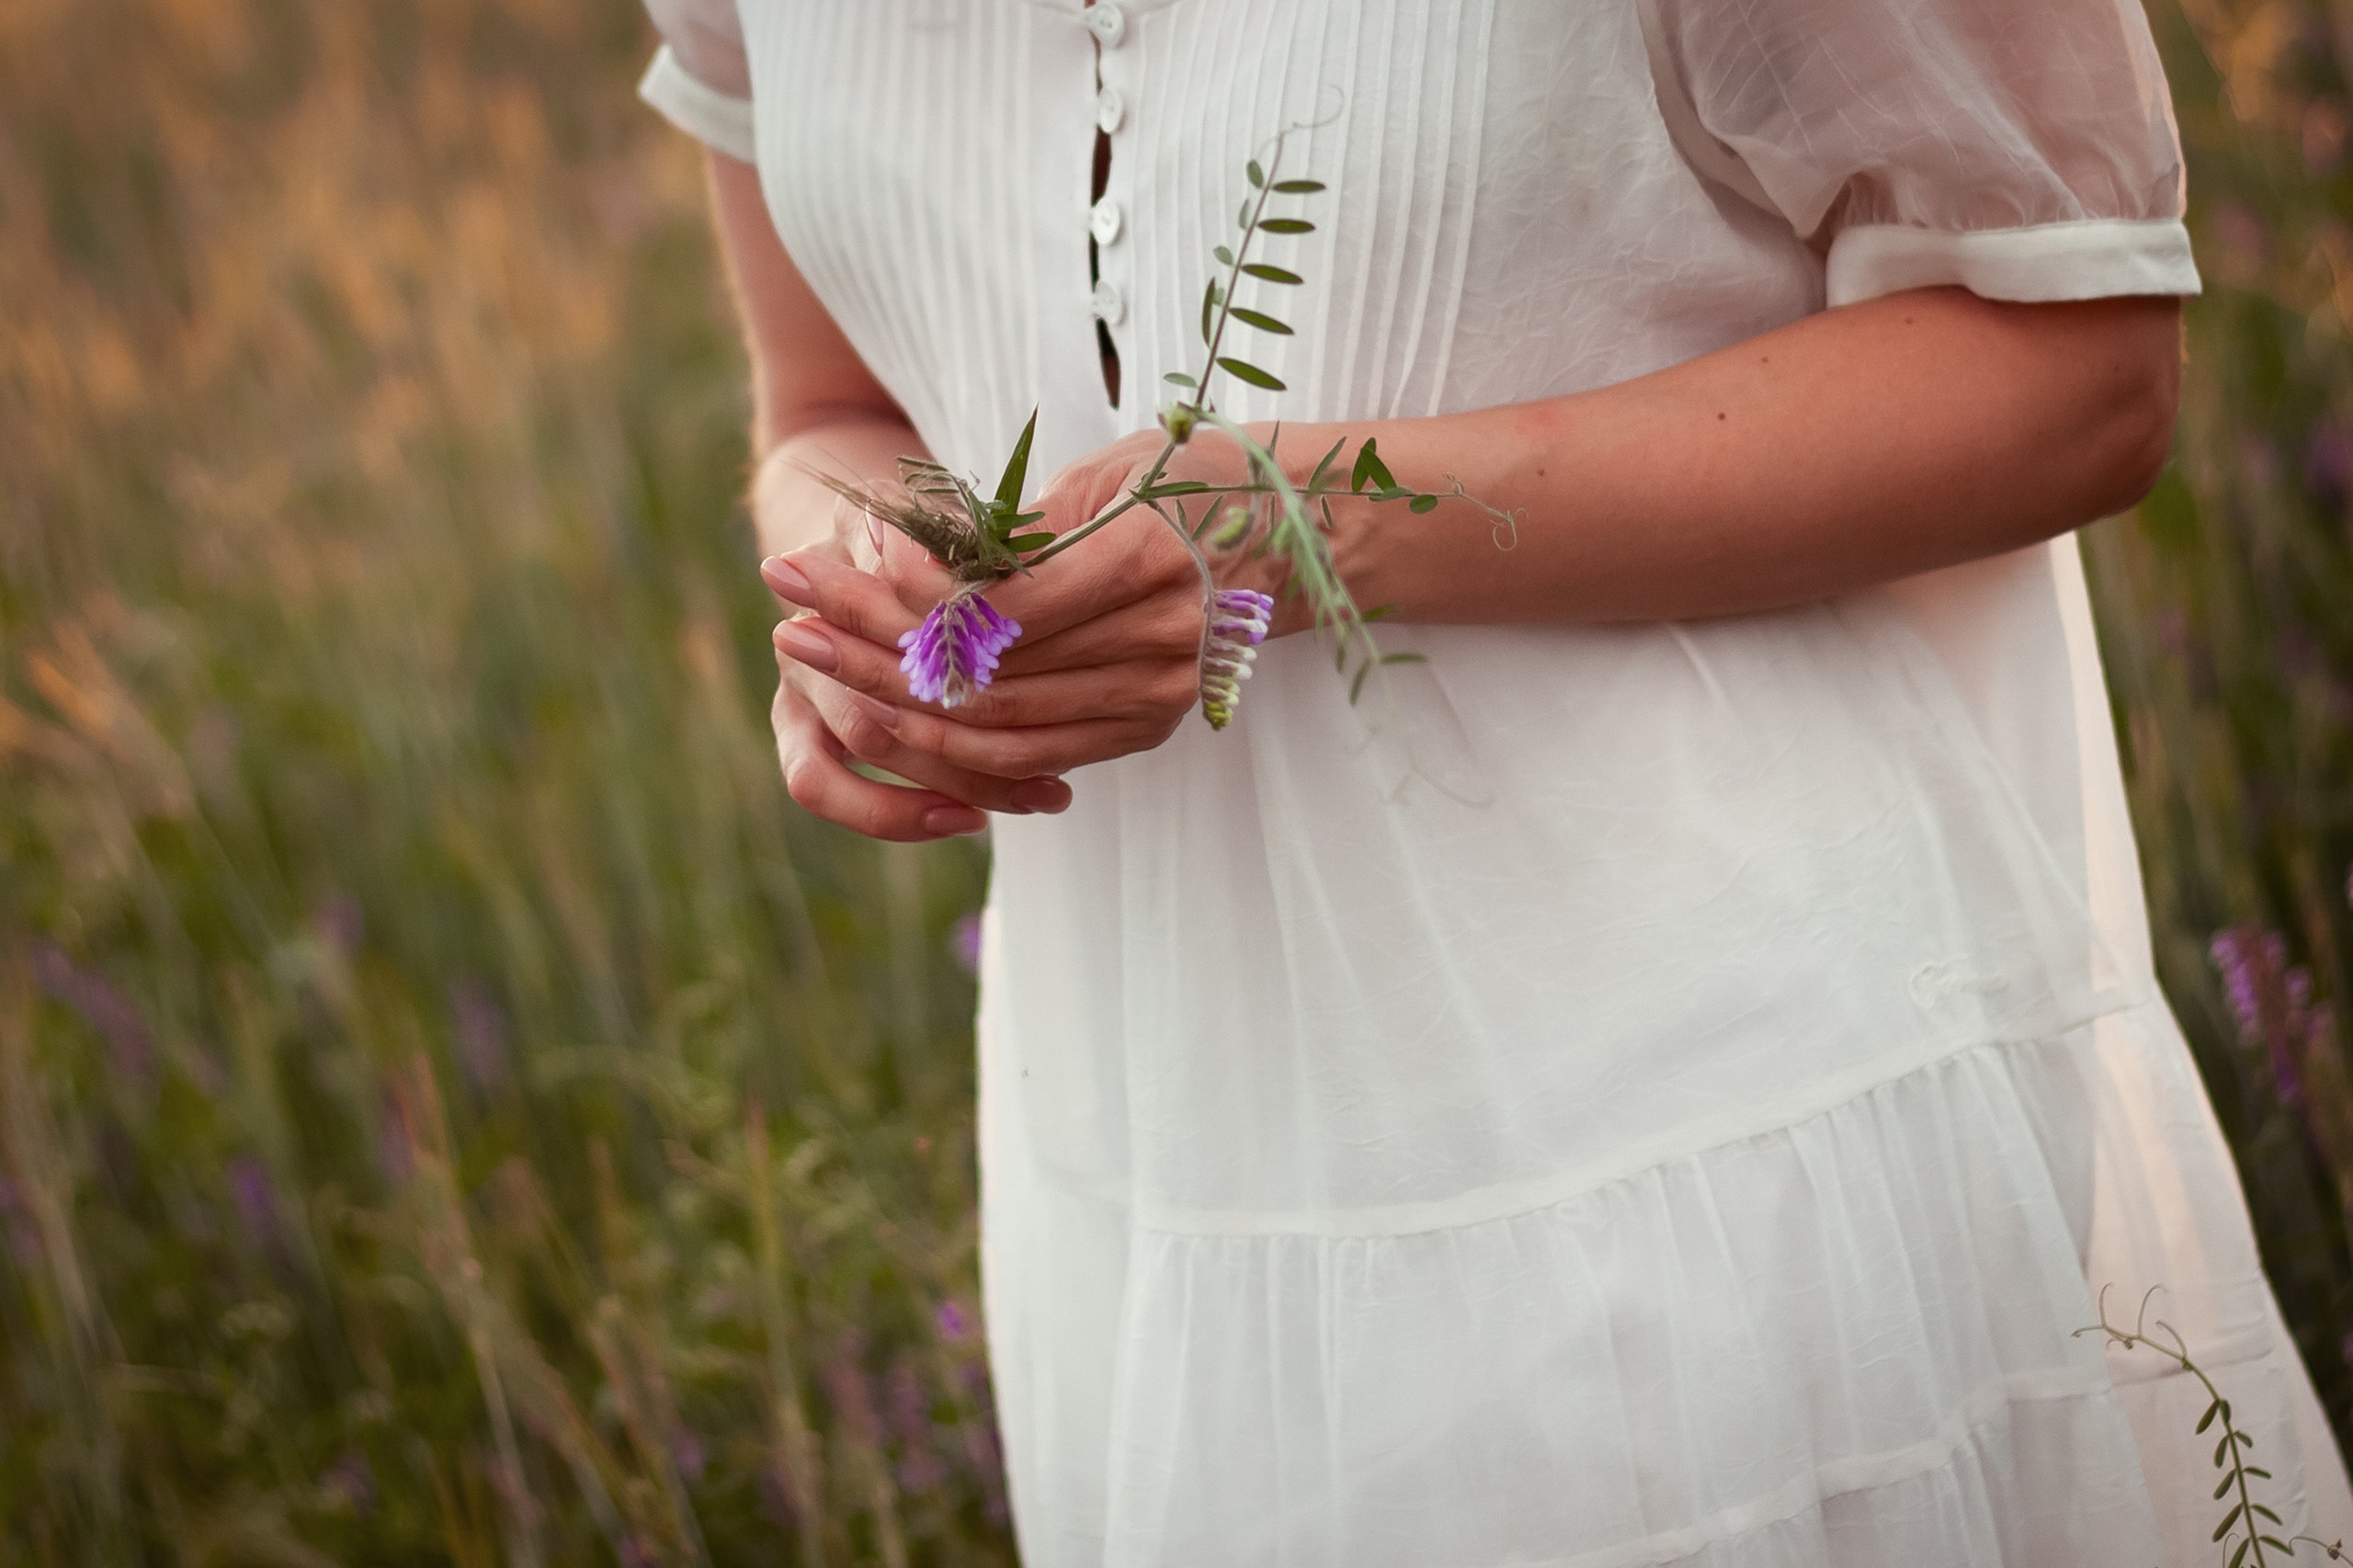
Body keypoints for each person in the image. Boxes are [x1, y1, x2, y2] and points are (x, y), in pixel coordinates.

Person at [638, 3, 2353, 1562]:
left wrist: (1297, 526)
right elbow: (825, 407)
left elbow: (2082, 365)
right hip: (1146, 1183)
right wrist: (865, 595)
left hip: (1709, 1153)